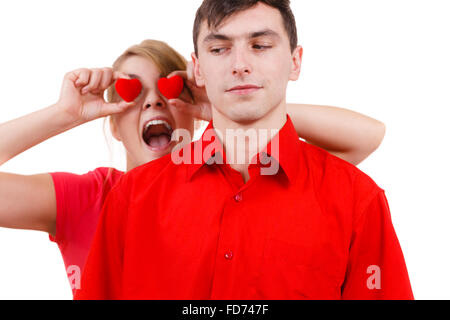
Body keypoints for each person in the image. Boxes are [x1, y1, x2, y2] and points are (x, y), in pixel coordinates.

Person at [74, 0, 413, 300]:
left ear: (295, 62)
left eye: (261, 45)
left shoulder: (357, 200)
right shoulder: (130, 199)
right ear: (198, 69)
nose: (240, 65)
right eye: (219, 49)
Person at [0, 36, 385, 297]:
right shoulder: (92, 197)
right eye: (132, 93)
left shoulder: (242, 184)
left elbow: (366, 136)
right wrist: (64, 114)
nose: (153, 103)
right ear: (115, 126)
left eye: (169, 90)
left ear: (191, 112)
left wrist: (222, 104)